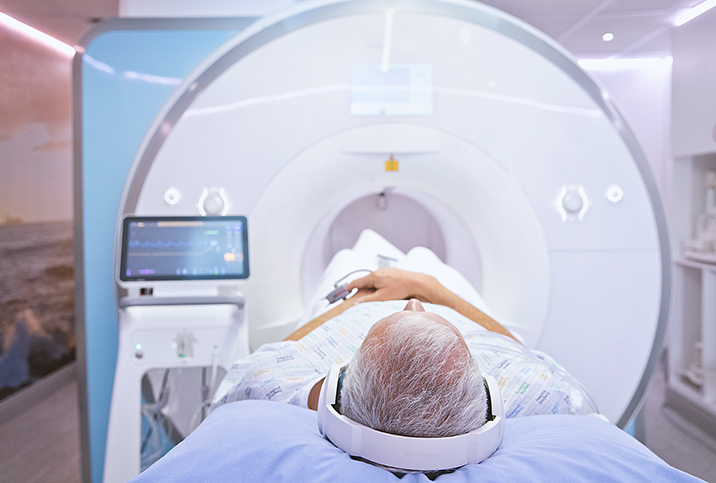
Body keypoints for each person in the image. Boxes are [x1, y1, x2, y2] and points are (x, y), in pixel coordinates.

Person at [211, 268, 597, 433]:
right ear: (485, 386)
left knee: (349, 259)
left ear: (341, 376)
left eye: (410, 307)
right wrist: (433, 289)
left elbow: (262, 359)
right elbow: (522, 354)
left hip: (352, 305)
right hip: (433, 284)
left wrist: (354, 303)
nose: (413, 304)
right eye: (427, 313)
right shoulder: (534, 393)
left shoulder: (281, 389)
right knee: (427, 261)